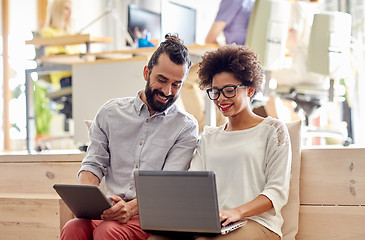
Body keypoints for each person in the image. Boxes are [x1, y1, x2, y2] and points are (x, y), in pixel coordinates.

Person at [60, 34, 199, 240]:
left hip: (151, 213)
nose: (167, 91)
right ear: (146, 72)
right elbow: (93, 164)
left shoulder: (185, 127)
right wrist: (89, 201)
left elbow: (167, 184)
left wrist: (131, 208)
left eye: (176, 85)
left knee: (107, 232)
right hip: (110, 209)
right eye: (161, 80)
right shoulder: (110, 112)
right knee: (73, 228)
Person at [191, 44, 291, 240]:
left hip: (258, 223)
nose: (221, 98)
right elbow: (193, 185)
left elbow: (277, 192)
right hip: (216, 223)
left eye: (229, 90)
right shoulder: (209, 137)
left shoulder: (273, 130)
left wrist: (236, 212)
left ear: (250, 90)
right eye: (215, 91)